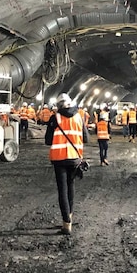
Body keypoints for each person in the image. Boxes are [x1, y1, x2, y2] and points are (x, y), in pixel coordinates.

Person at [44, 93, 87, 235]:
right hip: (75, 158)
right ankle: (69, 217)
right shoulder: (78, 117)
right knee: (71, 187)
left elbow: (48, 141)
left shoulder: (55, 118)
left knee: (62, 189)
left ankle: (66, 224)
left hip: (59, 158)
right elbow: (85, 138)